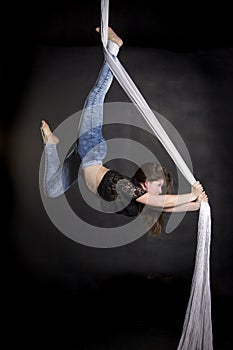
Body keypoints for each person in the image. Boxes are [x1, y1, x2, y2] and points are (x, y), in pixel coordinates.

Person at [40, 27, 208, 235]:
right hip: (91, 149)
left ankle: (51, 143)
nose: (158, 189)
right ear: (146, 182)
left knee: (52, 189)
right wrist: (190, 194)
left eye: (159, 187)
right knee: (96, 97)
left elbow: (165, 205)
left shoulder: (138, 200)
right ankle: (114, 47)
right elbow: (160, 200)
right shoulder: (125, 186)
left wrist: (196, 203)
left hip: (82, 159)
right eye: (158, 185)